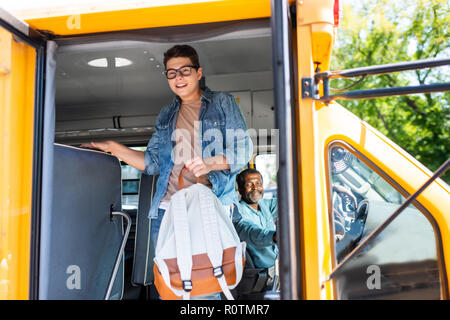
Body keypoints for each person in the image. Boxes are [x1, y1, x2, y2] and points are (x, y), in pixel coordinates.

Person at [82, 44, 253, 299]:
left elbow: (244, 149)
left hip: (205, 205)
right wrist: (115, 148)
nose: (178, 78)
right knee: (172, 287)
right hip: (166, 210)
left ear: (198, 72)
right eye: (171, 73)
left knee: (205, 283)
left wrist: (210, 162)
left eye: (184, 70)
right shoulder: (167, 114)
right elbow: (152, 162)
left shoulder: (222, 103)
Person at [232, 168, 278, 293]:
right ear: (241, 189)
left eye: (258, 184)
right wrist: (274, 237)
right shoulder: (238, 214)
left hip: (277, 270)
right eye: (249, 185)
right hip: (261, 280)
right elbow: (252, 233)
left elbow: (287, 202)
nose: (255, 188)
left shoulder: (264, 205)